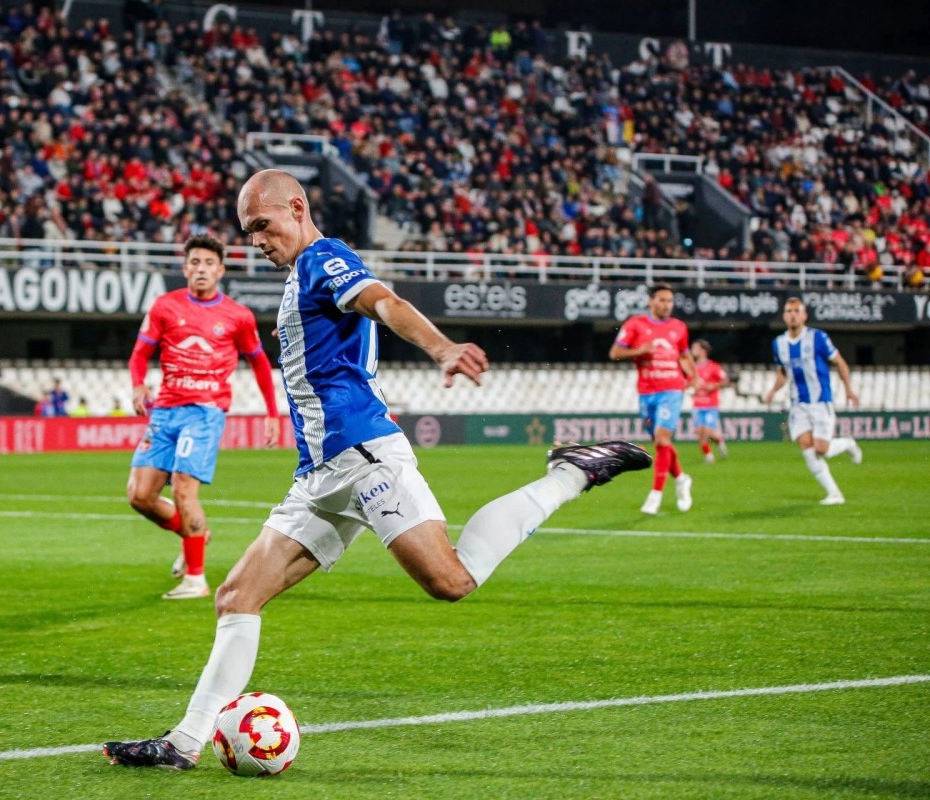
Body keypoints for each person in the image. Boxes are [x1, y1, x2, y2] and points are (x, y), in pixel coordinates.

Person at [102, 169, 651, 770]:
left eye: (263, 224)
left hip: (363, 459)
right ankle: (183, 744)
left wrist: (441, 347)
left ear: (297, 207)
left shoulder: (323, 258)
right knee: (236, 596)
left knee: (452, 581)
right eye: (247, 231)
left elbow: (385, 302)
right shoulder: (297, 278)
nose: (256, 239)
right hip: (316, 476)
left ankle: (570, 473)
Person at [127, 233, 282, 600]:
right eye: (195, 263)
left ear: (220, 271)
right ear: (185, 268)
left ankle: (196, 579)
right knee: (139, 496)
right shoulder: (165, 307)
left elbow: (259, 363)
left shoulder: (237, 316)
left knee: (183, 487)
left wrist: (272, 413)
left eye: (209, 263)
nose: (201, 269)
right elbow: (138, 355)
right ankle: (195, 534)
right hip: (164, 410)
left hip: (205, 411)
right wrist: (137, 385)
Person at [763, 298, 862, 505]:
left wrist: (849, 390)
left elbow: (840, 362)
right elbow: (783, 373)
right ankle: (834, 493)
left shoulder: (817, 337)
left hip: (820, 400)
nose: (792, 314)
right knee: (807, 448)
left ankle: (848, 444)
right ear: (784, 316)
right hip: (798, 404)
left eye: (797, 311)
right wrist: (773, 390)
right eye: (789, 311)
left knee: (821, 449)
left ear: (804, 315)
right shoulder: (779, 344)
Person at [609, 283, 697, 515]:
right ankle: (681, 479)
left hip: (672, 389)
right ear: (651, 301)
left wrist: (694, 377)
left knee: (661, 438)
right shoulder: (635, 324)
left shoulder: (679, 327)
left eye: (670, 301)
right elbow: (615, 352)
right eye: (662, 300)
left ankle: (655, 496)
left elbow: (685, 356)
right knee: (662, 443)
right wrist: (638, 351)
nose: (667, 305)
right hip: (647, 392)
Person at [690, 339, 730, 464]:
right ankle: (714, 448)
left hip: (710, 405)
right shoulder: (692, 368)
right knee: (700, 432)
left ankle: (711, 455)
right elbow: (689, 383)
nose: (692, 351)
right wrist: (692, 389)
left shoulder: (713, 366)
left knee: (706, 432)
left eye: (695, 348)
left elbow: (725, 381)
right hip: (697, 404)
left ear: (703, 351)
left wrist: (712, 386)